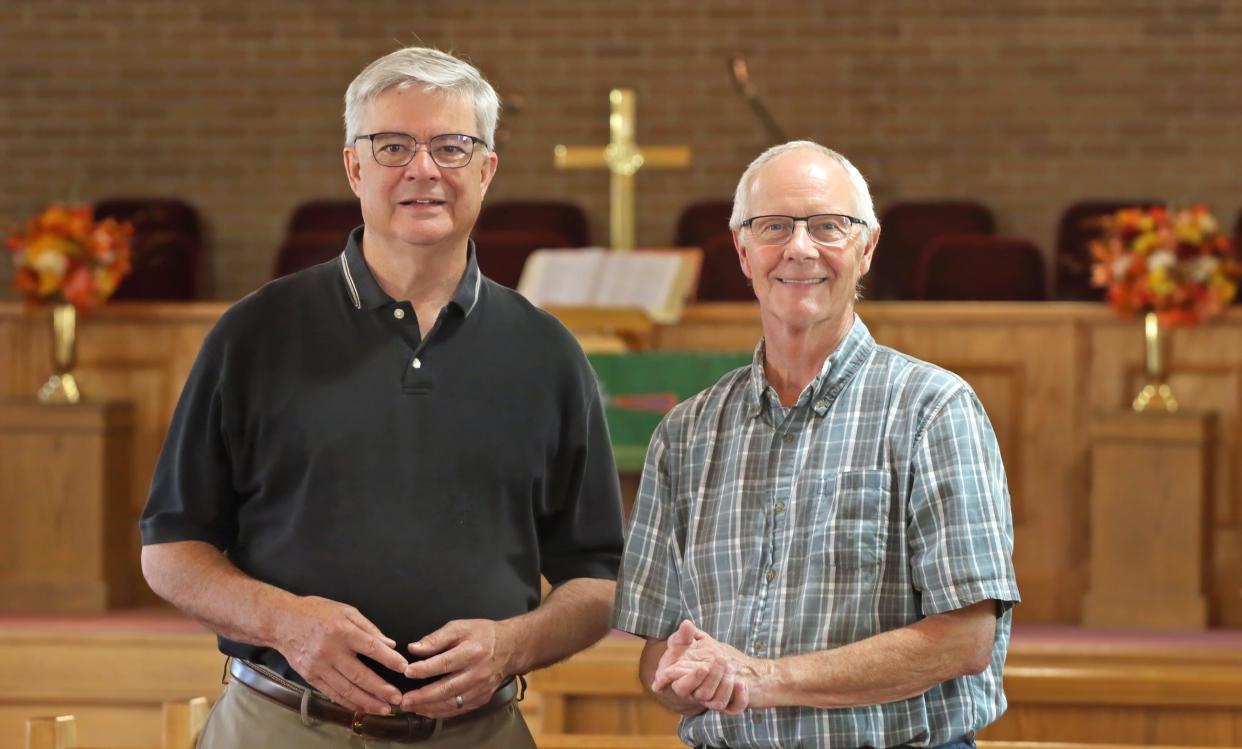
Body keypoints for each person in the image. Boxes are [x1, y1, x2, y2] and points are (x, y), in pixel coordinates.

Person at [140, 46, 624, 748]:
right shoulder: (256, 333)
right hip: (285, 723)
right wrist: (287, 624)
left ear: (486, 171)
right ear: (353, 166)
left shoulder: (548, 354)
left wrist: (511, 645)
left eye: (451, 147)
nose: (422, 169)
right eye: (393, 145)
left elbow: (599, 578)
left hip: (477, 732)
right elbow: (171, 549)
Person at [612, 141, 1020, 749]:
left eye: (828, 226)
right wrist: (689, 677)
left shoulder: (933, 410)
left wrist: (766, 679)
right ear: (742, 250)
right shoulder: (686, 434)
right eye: (773, 226)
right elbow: (655, 658)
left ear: (867, 247)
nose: (800, 248)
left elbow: (966, 641)